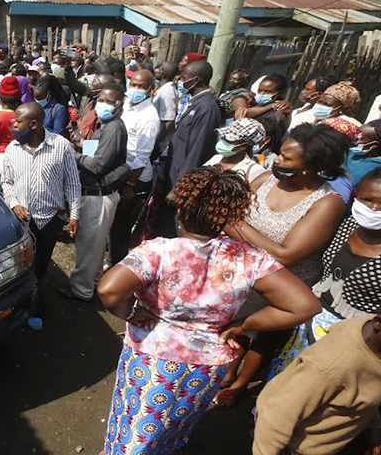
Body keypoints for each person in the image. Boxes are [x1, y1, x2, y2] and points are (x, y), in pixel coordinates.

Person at [98, 166, 320, 455]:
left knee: (136, 425)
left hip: (153, 357)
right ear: (227, 217)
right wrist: (242, 325)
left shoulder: (158, 251)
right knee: (178, 422)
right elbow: (305, 305)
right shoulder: (249, 258)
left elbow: (108, 290)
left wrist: (129, 314)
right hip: (209, 363)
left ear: (181, 210)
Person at [215, 123, 348, 408]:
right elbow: (231, 212)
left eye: (287, 159)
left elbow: (286, 255)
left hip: (285, 283)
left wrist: (234, 224)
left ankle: (239, 385)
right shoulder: (265, 180)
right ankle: (225, 374)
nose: (277, 160)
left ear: (311, 168)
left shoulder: (327, 203)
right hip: (244, 273)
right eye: (280, 154)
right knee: (234, 329)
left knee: (264, 339)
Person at [267, 167, 381, 380]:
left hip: (355, 339)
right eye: (367, 200)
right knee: (285, 383)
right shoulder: (349, 224)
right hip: (311, 322)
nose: (374, 209)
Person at [253, 298, 381, 455]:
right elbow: (277, 414)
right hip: (294, 444)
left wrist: (374, 427)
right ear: (378, 323)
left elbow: (363, 390)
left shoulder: (369, 334)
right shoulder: (330, 366)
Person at [2, 102, 81, 327]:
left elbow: (72, 183)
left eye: (18, 121)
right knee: (19, 265)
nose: (13, 124)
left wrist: (74, 214)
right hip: (21, 220)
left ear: (34, 124)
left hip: (49, 220)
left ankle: (34, 305)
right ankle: (19, 303)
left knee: (40, 265)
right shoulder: (12, 149)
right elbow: (6, 182)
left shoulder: (62, 146)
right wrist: (15, 204)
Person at [61, 84, 127, 302]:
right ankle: (93, 283)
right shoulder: (104, 125)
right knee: (95, 247)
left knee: (89, 246)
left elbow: (98, 165)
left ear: (120, 105)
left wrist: (73, 154)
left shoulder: (114, 128)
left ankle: (81, 290)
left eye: (110, 102)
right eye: (102, 100)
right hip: (95, 192)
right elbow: (97, 153)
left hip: (99, 196)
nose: (104, 105)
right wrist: (82, 146)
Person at [162, 61, 223, 237]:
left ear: (196, 80)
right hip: (173, 175)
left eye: (184, 78)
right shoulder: (193, 103)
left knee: (175, 231)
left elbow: (197, 150)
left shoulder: (207, 108)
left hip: (181, 184)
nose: (180, 81)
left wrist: (181, 188)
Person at [109, 70, 161, 264]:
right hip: (120, 169)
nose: (135, 89)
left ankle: (117, 263)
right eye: (133, 84)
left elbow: (142, 156)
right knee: (114, 222)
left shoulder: (149, 116)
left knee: (122, 226)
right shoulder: (127, 106)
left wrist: (130, 185)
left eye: (141, 87)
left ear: (150, 89)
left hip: (134, 178)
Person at [203, 118, 268, 183]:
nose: (222, 140)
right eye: (223, 136)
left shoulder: (254, 171)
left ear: (243, 146)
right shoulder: (216, 159)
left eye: (228, 140)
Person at [346, 119, 381, 186]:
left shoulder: (376, 172)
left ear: (373, 145)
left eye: (360, 138)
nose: (354, 138)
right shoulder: (350, 152)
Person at [151, 61, 180, 152]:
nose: (156, 71)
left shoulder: (168, 92)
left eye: (160, 69)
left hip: (160, 144)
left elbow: (169, 121)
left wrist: (157, 142)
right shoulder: (162, 89)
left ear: (163, 74)